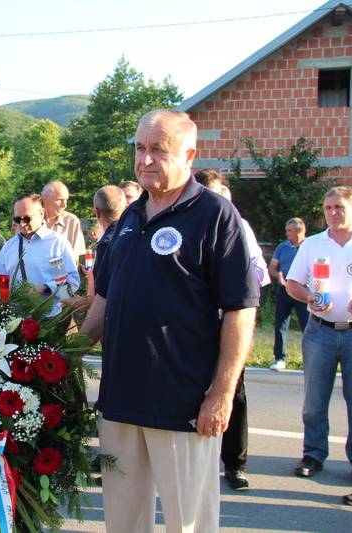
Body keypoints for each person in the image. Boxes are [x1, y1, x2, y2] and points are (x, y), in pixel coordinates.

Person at [81, 110, 259, 531]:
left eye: (157, 150)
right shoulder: (127, 218)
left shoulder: (216, 216)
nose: (144, 160)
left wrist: (221, 395)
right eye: (139, 148)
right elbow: (103, 302)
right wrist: (52, 358)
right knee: (123, 521)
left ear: (189, 154)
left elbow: (241, 310)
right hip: (120, 401)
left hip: (183, 404)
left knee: (189, 523)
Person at [285, 186, 352, 486]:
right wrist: (309, 297)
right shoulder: (313, 244)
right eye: (328, 208)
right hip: (319, 330)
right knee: (315, 399)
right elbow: (292, 283)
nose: (333, 213)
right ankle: (314, 453)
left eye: (339, 207)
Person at [195, 167, 270, 492]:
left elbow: (259, 274)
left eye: (216, 194)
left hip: (227, 323)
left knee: (232, 395)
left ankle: (235, 465)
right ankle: (197, 467)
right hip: (192, 330)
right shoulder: (181, 223)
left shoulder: (239, 226)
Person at [0, 193, 79, 318]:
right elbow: (1, 282)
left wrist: (45, 289)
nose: (22, 224)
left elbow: (69, 284)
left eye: (27, 218)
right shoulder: (8, 247)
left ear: (41, 213)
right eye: (18, 219)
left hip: (50, 321)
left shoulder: (55, 244)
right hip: (14, 321)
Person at [268, 218, 308, 371]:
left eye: (289, 230)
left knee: (307, 326)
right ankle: (279, 358)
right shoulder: (282, 247)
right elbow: (272, 268)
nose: (287, 233)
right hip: (284, 290)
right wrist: (279, 277)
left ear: (299, 231)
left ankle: (308, 359)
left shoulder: (309, 246)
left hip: (303, 290)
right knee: (281, 324)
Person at [41, 180, 85, 264]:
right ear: (45, 199)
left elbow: (76, 257)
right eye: (60, 200)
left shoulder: (72, 221)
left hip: (63, 275)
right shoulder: (31, 221)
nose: (64, 205)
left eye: (66, 200)